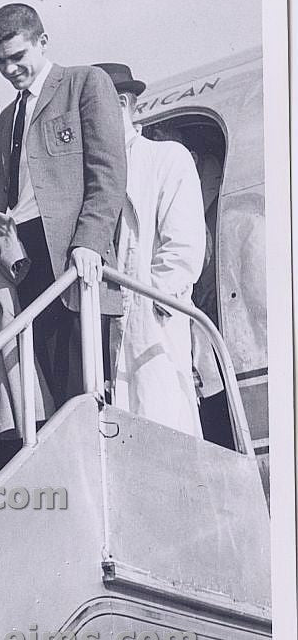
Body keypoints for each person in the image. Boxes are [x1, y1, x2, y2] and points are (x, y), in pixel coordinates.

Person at [0, 3, 127, 406]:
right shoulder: (4, 121)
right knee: (44, 388)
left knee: (82, 386)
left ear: (42, 42)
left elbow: (108, 172)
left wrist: (90, 242)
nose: (9, 70)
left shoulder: (84, 84)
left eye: (17, 57)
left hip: (71, 254)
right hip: (24, 257)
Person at [95, 62, 205, 434]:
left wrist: (151, 304)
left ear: (122, 103)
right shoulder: (91, 175)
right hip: (105, 324)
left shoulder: (165, 158)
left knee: (159, 419)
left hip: (152, 320)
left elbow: (183, 247)